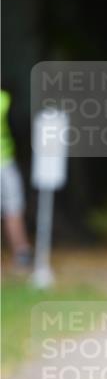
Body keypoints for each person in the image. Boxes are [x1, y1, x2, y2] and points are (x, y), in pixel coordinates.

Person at [0, 89, 32, 271]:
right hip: (6, 162)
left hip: (6, 161)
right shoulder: (5, 99)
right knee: (13, 209)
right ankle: (21, 254)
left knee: (13, 209)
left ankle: (21, 255)